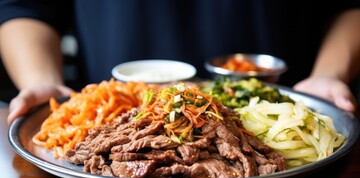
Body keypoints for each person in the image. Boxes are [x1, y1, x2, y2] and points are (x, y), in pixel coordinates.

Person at [0, 0, 359, 125]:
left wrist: (329, 74)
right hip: (108, 115)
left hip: (289, 100)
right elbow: (26, 6)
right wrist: (39, 79)